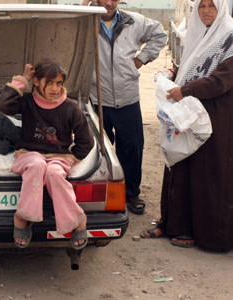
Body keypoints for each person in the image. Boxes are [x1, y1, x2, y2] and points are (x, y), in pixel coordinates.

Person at [141, 0, 233, 251]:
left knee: (203, 174)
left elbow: (220, 80)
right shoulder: (199, 34)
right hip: (189, 113)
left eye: (211, 6)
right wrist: (176, 73)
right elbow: (196, 67)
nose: (205, 11)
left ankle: (198, 231)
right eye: (201, 6)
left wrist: (186, 89)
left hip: (214, 117)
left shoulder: (229, 37)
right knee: (177, 163)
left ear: (222, 8)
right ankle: (171, 224)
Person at [0, 59, 95, 249]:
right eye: (49, 82)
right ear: (37, 81)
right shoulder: (28, 102)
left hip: (57, 157)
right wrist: (21, 81)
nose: (54, 88)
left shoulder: (71, 107)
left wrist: (72, 158)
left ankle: (78, 220)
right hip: (29, 153)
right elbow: (3, 106)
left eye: (58, 83)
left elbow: (86, 140)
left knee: (54, 173)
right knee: (36, 164)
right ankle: (23, 217)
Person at [82, 0, 167, 214]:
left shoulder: (133, 21)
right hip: (98, 98)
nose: (108, 3)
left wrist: (141, 59)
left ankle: (131, 193)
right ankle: (108, 193)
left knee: (131, 147)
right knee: (101, 148)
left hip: (127, 98)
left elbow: (160, 34)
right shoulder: (85, 21)